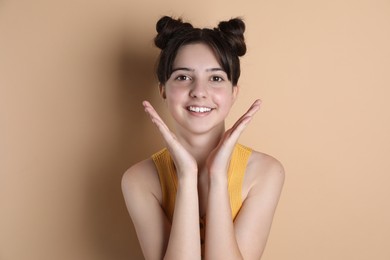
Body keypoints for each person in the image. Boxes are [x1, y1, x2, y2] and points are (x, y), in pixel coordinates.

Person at [121, 15, 285, 260]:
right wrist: (188, 177)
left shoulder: (265, 172)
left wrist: (217, 176)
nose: (199, 92)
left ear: (233, 92)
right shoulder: (139, 180)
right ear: (163, 90)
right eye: (183, 77)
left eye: (216, 78)